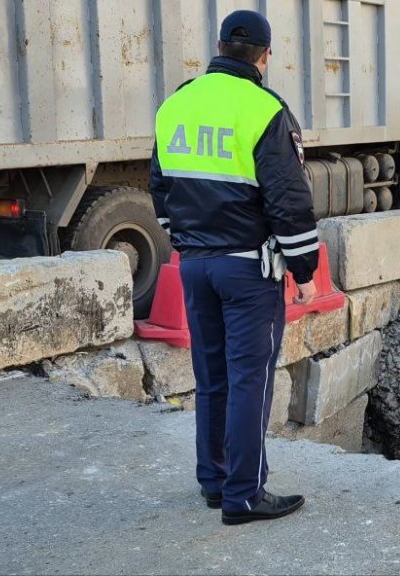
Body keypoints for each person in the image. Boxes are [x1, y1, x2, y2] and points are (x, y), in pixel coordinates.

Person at [150, 10, 318, 526]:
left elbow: (161, 184)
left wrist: (183, 236)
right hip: (246, 270)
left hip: (194, 264)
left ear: (219, 46)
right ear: (265, 57)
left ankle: (214, 480)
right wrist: (305, 270)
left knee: (212, 376)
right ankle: (244, 494)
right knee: (250, 379)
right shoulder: (265, 109)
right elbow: (288, 199)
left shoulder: (176, 103)